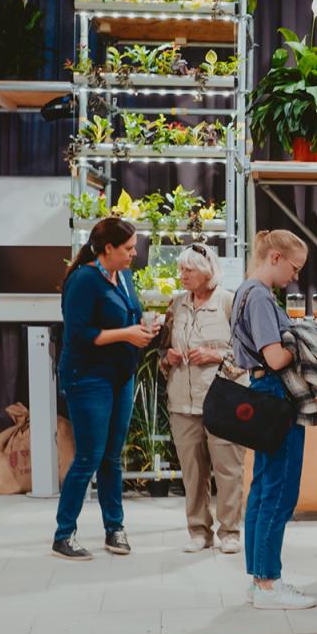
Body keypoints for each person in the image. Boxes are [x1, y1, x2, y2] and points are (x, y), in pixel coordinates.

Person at [52, 217, 156, 561]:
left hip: (120, 375)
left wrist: (143, 326)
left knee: (112, 456)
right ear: (108, 248)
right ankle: (63, 534)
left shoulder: (123, 276)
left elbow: (129, 315)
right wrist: (127, 335)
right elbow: (79, 333)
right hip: (88, 377)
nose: (134, 253)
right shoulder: (84, 280)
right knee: (89, 456)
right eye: (128, 248)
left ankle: (115, 528)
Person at [235, 229, 317, 610]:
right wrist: (305, 338)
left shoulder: (245, 293)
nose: (294, 277)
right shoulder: (260, 299)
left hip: (261, 394)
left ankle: (259, 579)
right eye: (294, 267)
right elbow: (274, 358)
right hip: (274, 393)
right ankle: (268, 583)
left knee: (264, 486)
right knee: (279, 491)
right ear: (275, 258)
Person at [160, 243, 244, 555]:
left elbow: (247, 355)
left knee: (228, 469)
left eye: (188, 270)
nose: (182, 275)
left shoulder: (229, 302)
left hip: (222, 399)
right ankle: (198, 531)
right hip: (182, 401)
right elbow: (161, 353)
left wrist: (214, 354)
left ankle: (231, 531)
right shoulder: (177, 304)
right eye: (181, 269)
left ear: (207, 271)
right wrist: (166, 358)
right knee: (192, 472)